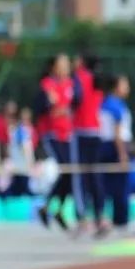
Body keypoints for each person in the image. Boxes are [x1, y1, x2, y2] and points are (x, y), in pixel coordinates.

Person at [37, 54, 77, 230]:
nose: (66, 67)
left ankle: (55, 208)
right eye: (62, 64)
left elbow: (69, 107)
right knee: (64, 169)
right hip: (52, 134)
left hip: (68, 134)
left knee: (70, 172)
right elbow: (51, 108)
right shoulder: (47, 84)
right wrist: (60, 110)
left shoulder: (71, 84)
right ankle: (47, 206)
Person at [72, 54, 106, 234]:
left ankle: (82, 217)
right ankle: (100, 217)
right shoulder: (98, 80)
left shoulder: (80, 76)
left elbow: (75, 98)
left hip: (81, 130)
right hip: (96, 130)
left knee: (80, 177)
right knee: (96, 176)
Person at [98, 74, 133, 232]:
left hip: (105, 146)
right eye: (124, 85)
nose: (127, 88)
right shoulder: (116, 105)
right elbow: (117, 132)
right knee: (121, 184)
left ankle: (106, 217)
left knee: (106, 184)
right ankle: (120, 219)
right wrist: (122, 153)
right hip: (116, 146)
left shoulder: (104, 104)